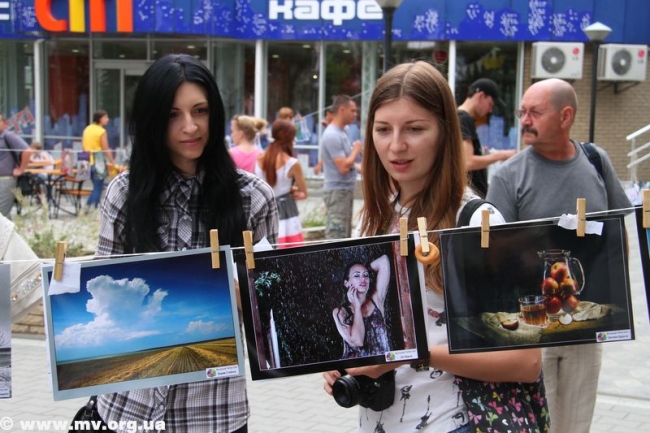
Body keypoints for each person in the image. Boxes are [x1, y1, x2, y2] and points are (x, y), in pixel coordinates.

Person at [322, 61, 544, 433]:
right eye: (383, 129)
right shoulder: (376, 217)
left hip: (455, 421)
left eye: (415, 128)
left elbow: (525, 362)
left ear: (444, 132)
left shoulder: (477, 221)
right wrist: (344, 364)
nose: (396, 145)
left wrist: (411, 355)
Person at [95, 53, 279, 433]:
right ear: (151, 120)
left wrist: (238, 293)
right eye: (172, 115)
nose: (190, 126)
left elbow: (271, 310)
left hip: (214, 412)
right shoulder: (123, 194)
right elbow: (102, 301)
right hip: (128, 407)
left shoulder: (252, 199)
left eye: (200, 111)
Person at [486, 77, 632, 433]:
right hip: (532, 330)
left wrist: (617, 296)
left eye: (535, 112)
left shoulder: (597, 162)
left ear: (565, 116)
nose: (524, 121)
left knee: (576, 425)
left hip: (585, 330)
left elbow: (617, 232)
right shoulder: (508, 176)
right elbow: (491, 256)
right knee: (536, 425)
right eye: (522, 112)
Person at [457, 78, 516, 197]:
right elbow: (467, 162)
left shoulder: (461, 118)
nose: (490, 110)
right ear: (481, 96)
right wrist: (501, 155)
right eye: (490, 104)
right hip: (471, 197)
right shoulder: (463, 119)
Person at [255, 119, 307, 247]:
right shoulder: (292, 163)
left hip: (263, 210)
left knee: (267, 249)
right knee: (292, 253)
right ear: (290, 138)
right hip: (287, 212)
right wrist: (292, 191)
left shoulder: (259, 158)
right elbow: (304, 193)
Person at [333, 254, 390, 359]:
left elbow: (384, 260)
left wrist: (364, 268)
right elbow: (358, 341)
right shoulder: (340, 312)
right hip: (357, 366)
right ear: (346, 283)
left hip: (384, 363)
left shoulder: (376, 299)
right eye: (356, 276)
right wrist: (357, 307)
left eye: (366, 275)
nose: (363, 279)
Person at [321, 95, 362, 239]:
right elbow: (343, 167)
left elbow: (346, 161)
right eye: (353, 111)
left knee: (344, 236)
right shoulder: (332, 135)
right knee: (336, 236)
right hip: (337, 191)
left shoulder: (344, 131)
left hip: (345, 190)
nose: (355, 114)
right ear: (342, 110)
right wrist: (356, 150)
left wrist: (358, 167)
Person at [82, 109, 116, 212]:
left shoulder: (87, 129)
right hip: (98, 161)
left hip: (86, 160)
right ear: (99, 119)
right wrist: (112, 162)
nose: (107, 119)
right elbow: (106, 148)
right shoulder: (101, 131)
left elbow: (83, 145)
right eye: (105, 117)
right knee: (98, 187)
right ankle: (90, 208)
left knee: (96, 186)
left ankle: (89, 208)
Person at [0, 112, 31, 219]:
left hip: (5, 179)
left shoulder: (8, 136)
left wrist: (21, 169)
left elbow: (27, 150)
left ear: (4, 123)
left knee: (2, 214)